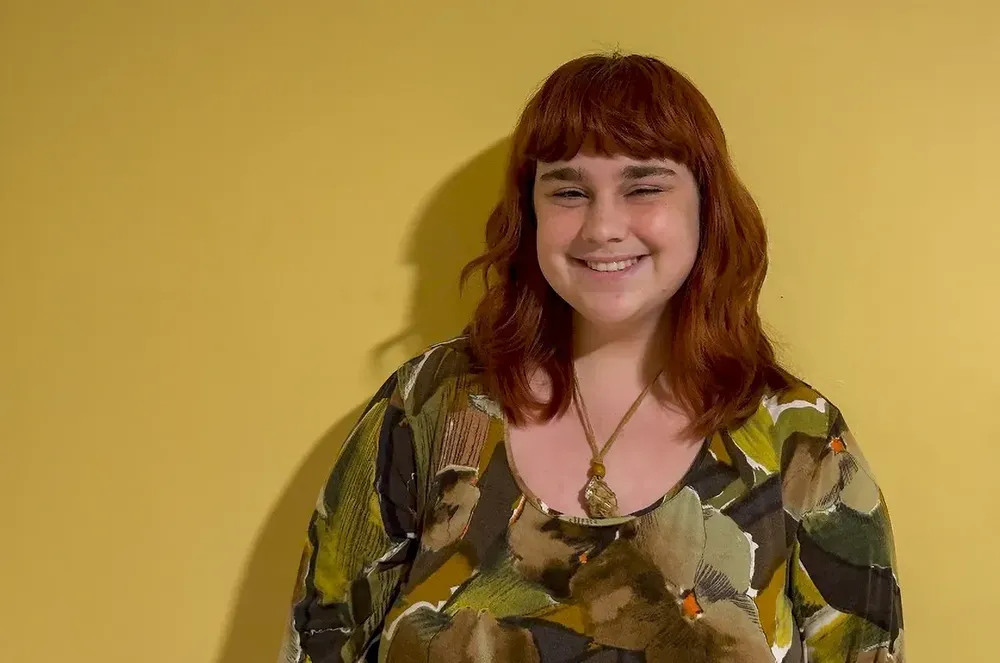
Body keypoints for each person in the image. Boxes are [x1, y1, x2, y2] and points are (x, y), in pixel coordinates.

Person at [277, 53, 904, 662]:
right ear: (531, 212)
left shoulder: (804, 442)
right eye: (569, 191)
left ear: (706, 208)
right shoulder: (430, 403)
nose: (603, 227)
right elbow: (320, 638)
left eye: (644, 186)